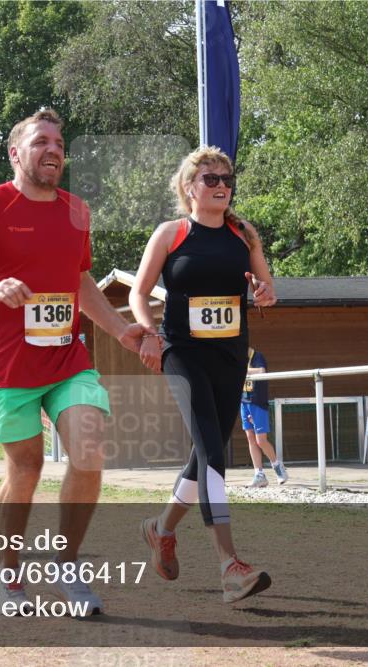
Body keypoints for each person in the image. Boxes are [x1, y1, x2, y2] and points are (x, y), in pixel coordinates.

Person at [0, 107, 149, 617]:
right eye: (40, 142)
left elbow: (79, 282)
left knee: (89, 447)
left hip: (67, 359)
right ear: (15, 153)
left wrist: (120, 329)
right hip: (9, 366)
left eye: (58, 141)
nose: (53, 149)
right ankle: (7, 576)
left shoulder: (77, 210)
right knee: (25, 469)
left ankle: (67, 564)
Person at [129, 145, 278, 604]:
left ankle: (161, 527)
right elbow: (138, 293)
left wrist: (264, 290)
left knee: (204, 455)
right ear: (189, 187)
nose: (220, 187)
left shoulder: (244, 234)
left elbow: (266, 286)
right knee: (214, 452)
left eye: (226, 179)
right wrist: (150, 334)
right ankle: (229, 565)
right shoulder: (171, 233)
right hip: (183, 353)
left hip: (231, 355)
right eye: (210, 179)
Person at [242, 347, 287, 487]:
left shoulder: (257, 356)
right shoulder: (235, 356)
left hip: (257, 402)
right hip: (244, 402)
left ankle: (278, 467)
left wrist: (241, 371)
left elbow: (262, 371)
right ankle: (259, 474)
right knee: (250, 437)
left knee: (261, 440)